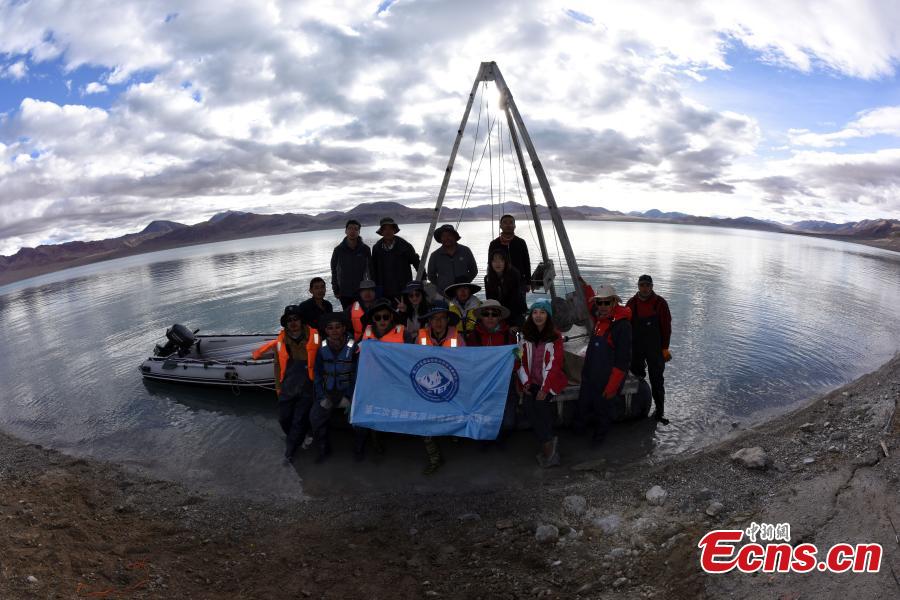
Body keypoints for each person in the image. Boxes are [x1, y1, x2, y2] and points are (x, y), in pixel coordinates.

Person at [251, 305, 321, 464]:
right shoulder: (281, 340)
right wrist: (277, 387)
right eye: (289, 320)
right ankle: (298, 437)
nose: (293, 322)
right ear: (286, 323)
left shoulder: (315, 337)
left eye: (296, 319)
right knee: (284, 419)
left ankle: (290, 451)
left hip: (308, 385)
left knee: (298, 419)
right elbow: (277, 365)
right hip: (287, 385)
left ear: (302, 321)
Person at [412, 300, 466, 474]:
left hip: (452, 387)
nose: (438, 322)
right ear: (429, 321)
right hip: (427, 388)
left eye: (442, 318)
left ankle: (455, 434)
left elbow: (466, 363)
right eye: (434, 318)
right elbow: (410, 361)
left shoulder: (458, 337)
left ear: (447, 320)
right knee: (423, 421)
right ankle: (435, 458)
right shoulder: (419, 337)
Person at [577, 285, 632, 446]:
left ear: (614, 302)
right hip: (590, 378)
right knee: (582, 408)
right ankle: (577, 442)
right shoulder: (600, 318)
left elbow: (622, 363)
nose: (602, 307)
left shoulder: (622, 327)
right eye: (599, 303)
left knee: (603, 414)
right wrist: (586, 287)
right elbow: (590, 306)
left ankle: (598, 445)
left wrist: (611, 388)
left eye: (606, 303)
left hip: (606, 382)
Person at [308, 312, 365, 463]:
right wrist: (321, 397)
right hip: (327, 393)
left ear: (344, 328)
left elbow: (357, 375)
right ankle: (323, 448)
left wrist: (349, 397)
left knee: (359, 420)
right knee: (315, 417)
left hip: (347, 392)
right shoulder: (321, 348)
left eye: (337, 327)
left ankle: (359, 449)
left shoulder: (355, 348)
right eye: (330, 328)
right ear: (326, 331)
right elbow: (318, 375)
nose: (334, 331)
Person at [517, 299, 567, 467]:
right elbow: (521, 362)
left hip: (550, 381)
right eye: (535, 312)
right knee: (528, 405)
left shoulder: (555, 337)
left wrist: (545, 389)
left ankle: (547, 446)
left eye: (543, 312)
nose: (538, 316)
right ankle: (549, 441)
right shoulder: (524, 336)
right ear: (531, 315)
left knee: (539, 404)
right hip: (532, 380)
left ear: (548, 316)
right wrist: (525, 383)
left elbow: (555, 364)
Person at [466, 299, 519, 443]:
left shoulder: (510, 336)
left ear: (500, 317)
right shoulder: (473, 337)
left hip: (504, 383)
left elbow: (517, 360)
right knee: (482, 418)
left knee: (508, 424)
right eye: (486, 313)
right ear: (481, 317)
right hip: (481, 384)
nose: (490, 317)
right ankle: (485, 437)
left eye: (494, 314)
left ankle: (501, 436)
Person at [626, 274, 673, 423]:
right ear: (638, 286)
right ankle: (636, 410)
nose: (645, 288)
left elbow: (666, 327)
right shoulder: (631, 303)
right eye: (642, 285)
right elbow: (625, 327)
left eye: (648, 285)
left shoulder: (660, 303)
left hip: (656, 348)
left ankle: (659, 412)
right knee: (635, 378)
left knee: (657, 381)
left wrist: (665, 348)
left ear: (652, 287)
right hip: (637, 348)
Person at [370, 217, 421, 299]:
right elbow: (374, 268)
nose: (388, 231)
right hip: (384, 290)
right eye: (385, 229)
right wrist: (375, 287)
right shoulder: (376, 248)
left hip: (404, 289)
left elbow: (417, 262)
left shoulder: (405, 245)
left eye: (390, 228)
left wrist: (423, 279)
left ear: (394, 230)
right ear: (382, 231)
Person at [426, 224, 478, 296]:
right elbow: (431, 276)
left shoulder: (466, 251)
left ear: (455, 237)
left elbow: (474, 270)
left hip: (464, 295)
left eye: (449, 235)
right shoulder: (434, 255)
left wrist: (465, 284)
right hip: (444, 295)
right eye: (444, 236)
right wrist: (440, 286)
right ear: (440, 238)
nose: (447, 238)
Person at [330, 219, 371, 310]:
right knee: (348, 316)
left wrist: (371, 288)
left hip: (362, 291)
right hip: (344, 292)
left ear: (359, 232)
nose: (352, 231)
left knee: (364, 315)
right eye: (350, 228)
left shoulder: (365, 249)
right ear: (346, 231)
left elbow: (370, 270)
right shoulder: (338, 250)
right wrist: (335, 289)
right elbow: (334, 270)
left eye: (356, 229)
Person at [487, 214, 531, 297]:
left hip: (519, 281)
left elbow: (526, 262)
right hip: (500, 281)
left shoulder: (521, 242)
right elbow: (490, 263)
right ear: (500, 226)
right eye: (505, 222)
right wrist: (491, 281)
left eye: (511, 222)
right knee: (501, 306)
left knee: (519, 305)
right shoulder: (494, 243)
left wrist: (528, 282)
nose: (508, 225)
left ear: (514, 226)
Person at [484, 249, 527, 328]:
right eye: (494, 261)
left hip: (516, 311)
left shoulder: (514, 275)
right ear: (490, 263)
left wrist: (511, 323)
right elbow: (490, 300)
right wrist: (495, 317)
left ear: (505, 262)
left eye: (501, 260)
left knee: (515, 330)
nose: (498, 263)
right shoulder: (488, 278)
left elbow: (515, 299)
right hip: (499, 312)